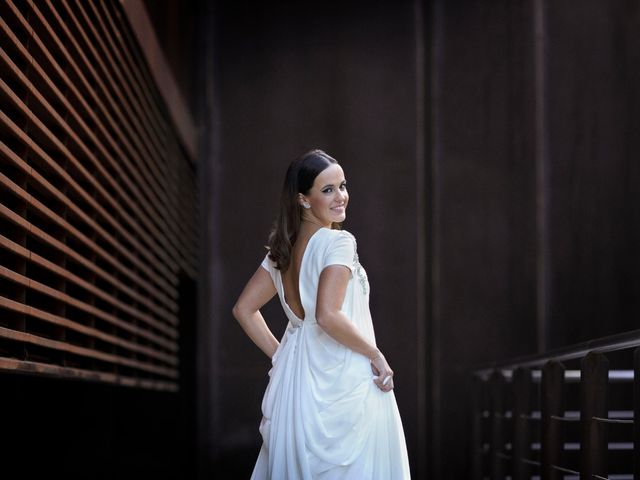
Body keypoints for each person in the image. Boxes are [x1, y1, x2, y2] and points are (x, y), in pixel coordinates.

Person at [232, 149, 411, 479]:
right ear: (303, 199)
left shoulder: (281, 251)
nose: (341, 196)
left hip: (297, 384)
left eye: (342, 185)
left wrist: (281, 356)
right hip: (345, 380)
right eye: (327, 190)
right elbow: (327, 315)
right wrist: (375, 354)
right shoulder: (337, 241)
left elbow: (244, 309)